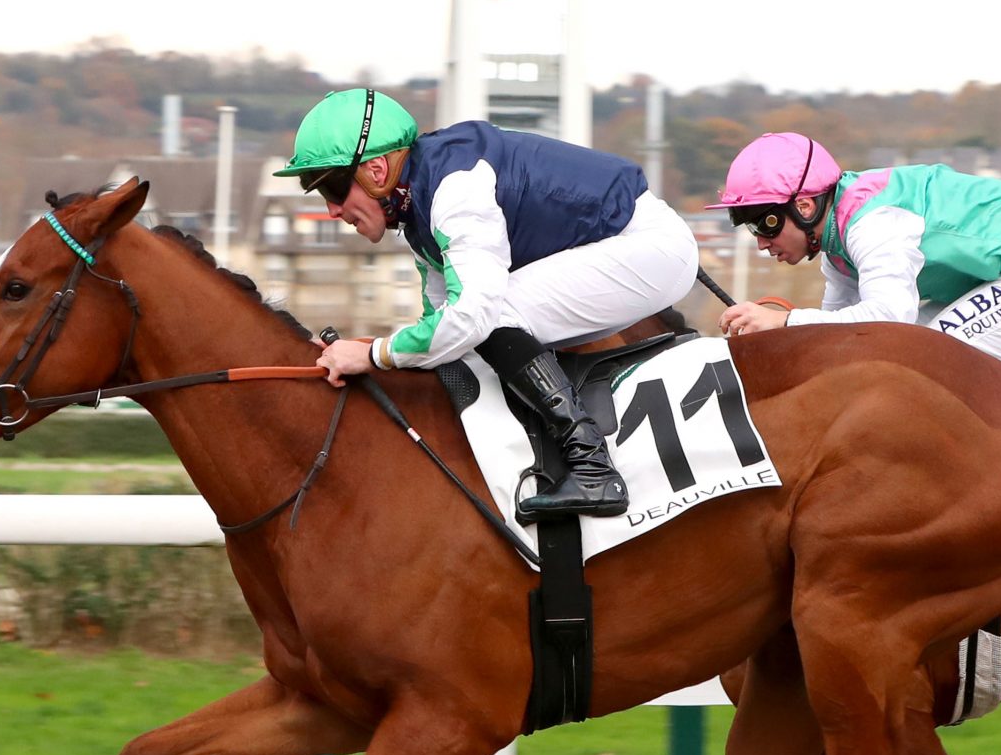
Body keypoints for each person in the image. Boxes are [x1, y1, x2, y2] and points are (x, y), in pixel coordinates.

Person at [275, 89, 699, 522]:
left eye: (332, 187)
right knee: (476, 324)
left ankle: (593, 467)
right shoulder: (416, 207)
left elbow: (470, 319)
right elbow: (438, 328)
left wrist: (371, 354)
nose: (330, 209)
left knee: (491, 315)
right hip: (624, 246)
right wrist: (372, 353)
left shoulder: (454, 191)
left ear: (377, 170)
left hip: (647, 248)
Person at [710, 133, 1001, 363]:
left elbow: (889, 316)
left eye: (766, 223)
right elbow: (839, 343)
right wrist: (777, 341)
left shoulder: (872, 224)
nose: (761, 242)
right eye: (750, 228)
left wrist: (783, 322)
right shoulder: (837, 248)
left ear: (805, 205)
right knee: (888, 357)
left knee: (926, 359)